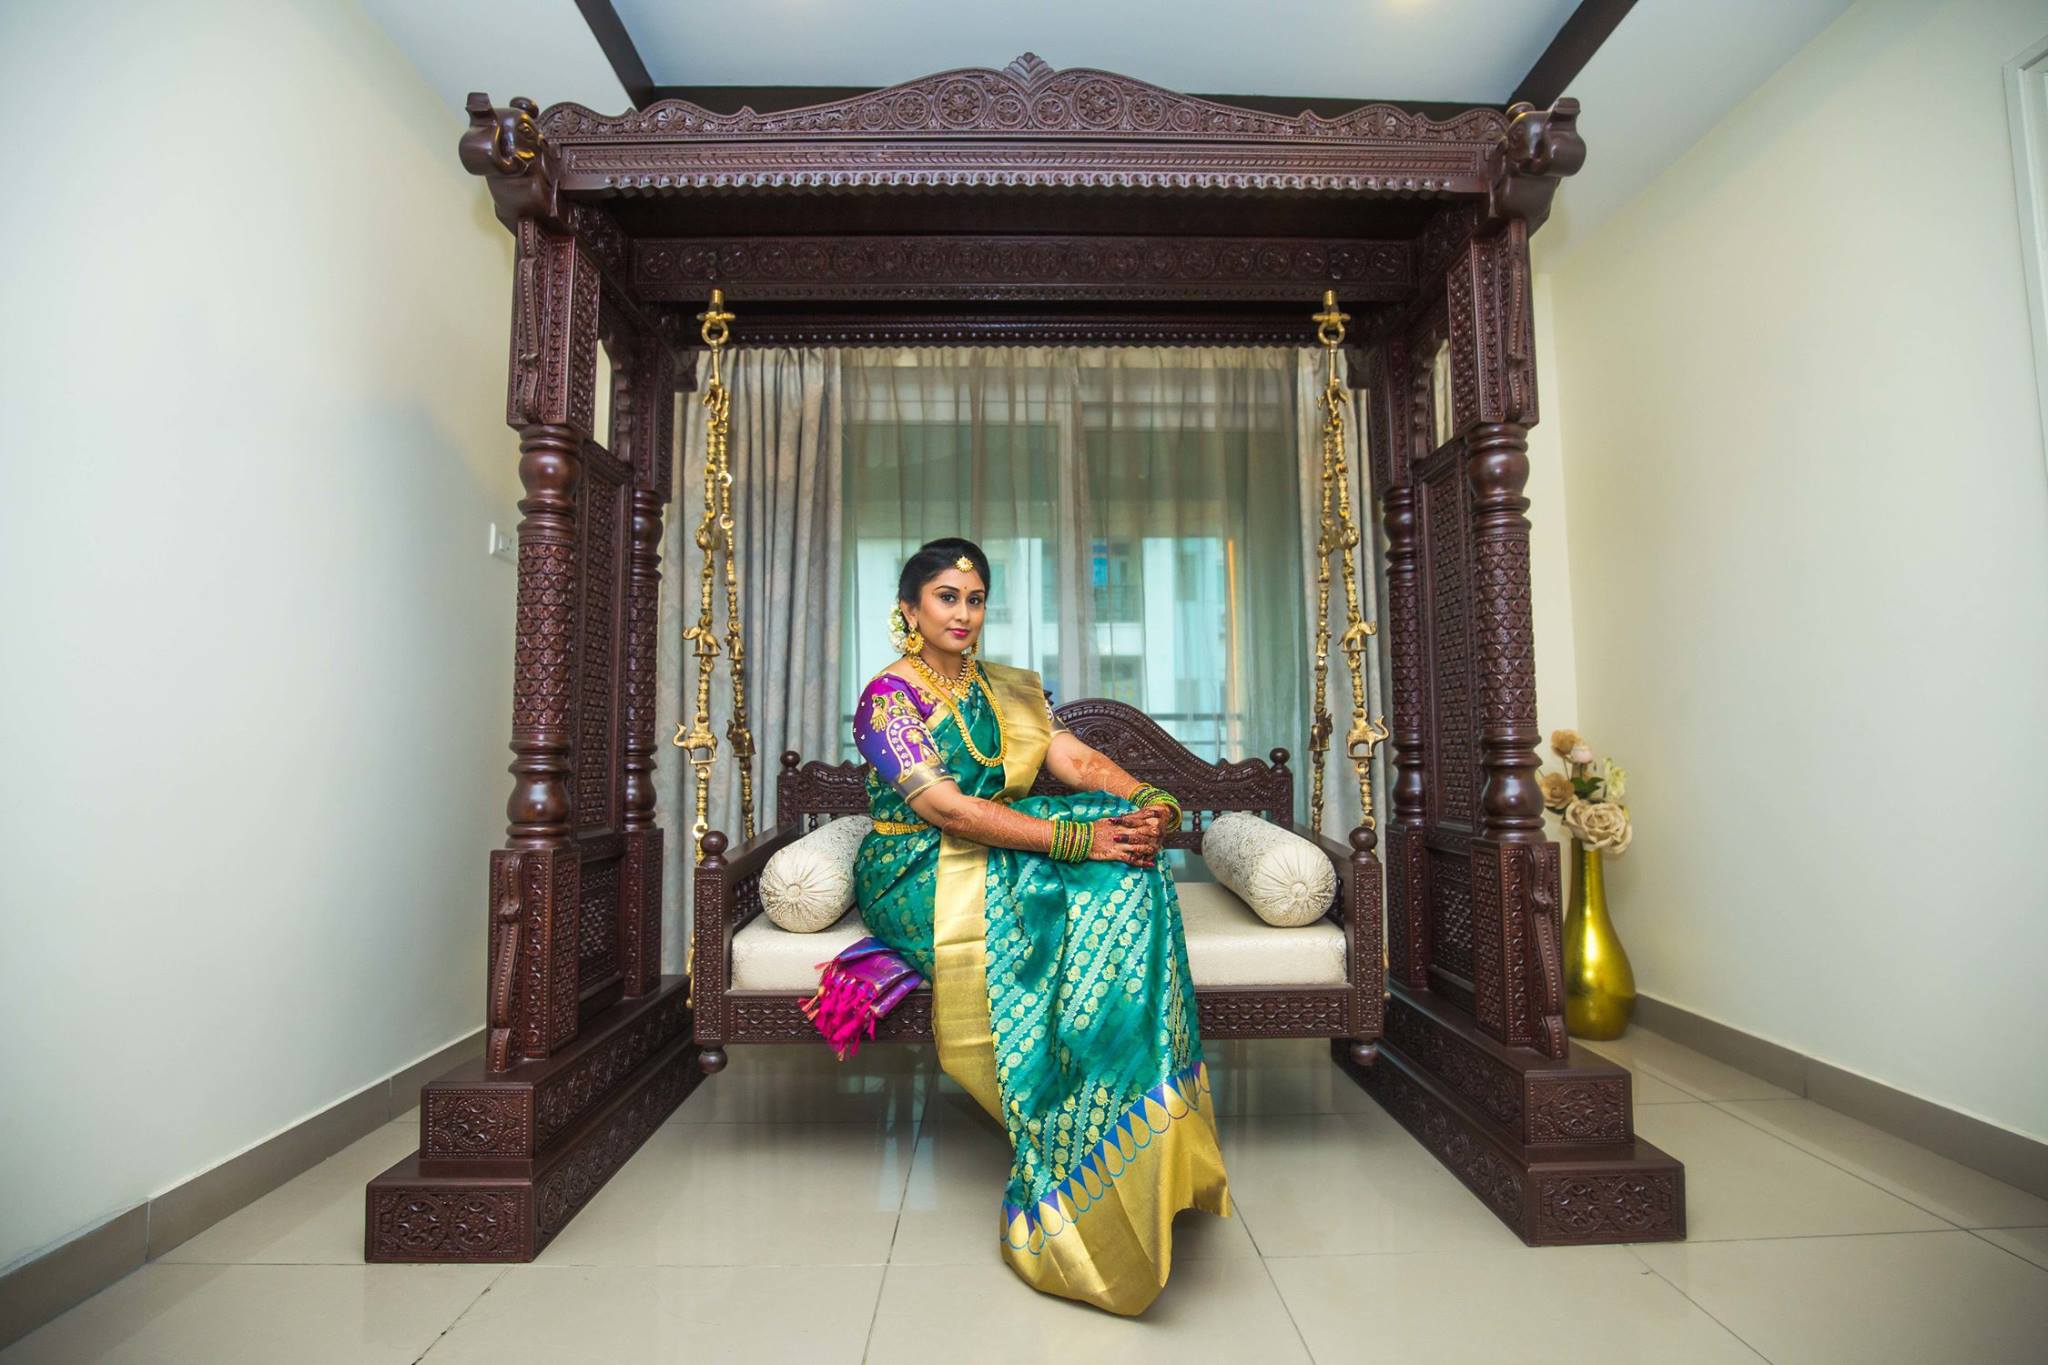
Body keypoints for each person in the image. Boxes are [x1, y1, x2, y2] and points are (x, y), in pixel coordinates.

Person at [817, 536, 1231, 1316]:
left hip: (999, 840)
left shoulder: (1005, 688)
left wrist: (1146, 798)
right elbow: (941, 806)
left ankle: (1132, 1120)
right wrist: (1078, 839)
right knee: (1100, 863)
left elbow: (1072, 760)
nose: (963, 613)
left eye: (975, 599)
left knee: (1134, 873)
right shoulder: (887, 699)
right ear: (909, 609)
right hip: (919, 869)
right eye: (946, 597)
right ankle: (1078, 1138)